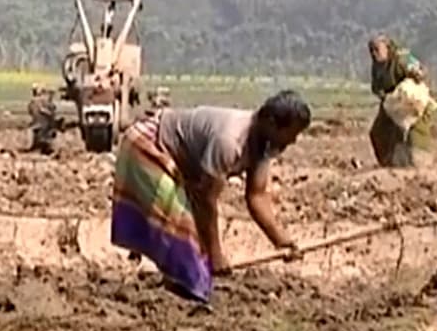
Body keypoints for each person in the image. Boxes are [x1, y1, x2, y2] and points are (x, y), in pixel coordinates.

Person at [111, 90, 311, 302]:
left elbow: (256, 196)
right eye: (292, 133)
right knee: (180, 223)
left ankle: (185, 283)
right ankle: (182, 285)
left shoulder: (265, 146)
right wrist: (215, 253)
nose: (294, 141)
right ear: (272, 123)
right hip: (149, 144)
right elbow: (205, 199)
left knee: (193, 237)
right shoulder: (229, 141)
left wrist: (281, 241)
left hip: (180, 161)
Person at [368, 35, 433, 168]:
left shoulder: (402, 59)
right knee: (378, 131)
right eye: (371, 51)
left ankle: (419, 162)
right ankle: (388, 162)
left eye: (377, 49)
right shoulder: (377, 67)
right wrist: (387, 98)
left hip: (412, 103)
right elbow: (376, 87)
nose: (374, 54)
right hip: (392, 105)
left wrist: (409, 89)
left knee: (415, 134)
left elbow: (421, 73)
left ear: (387, 48)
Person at [28, 84, 59, 155]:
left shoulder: (37, 101)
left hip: (41, 122)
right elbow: (42, 110)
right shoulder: (36, 101)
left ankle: (45, 146)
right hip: (41, 122)